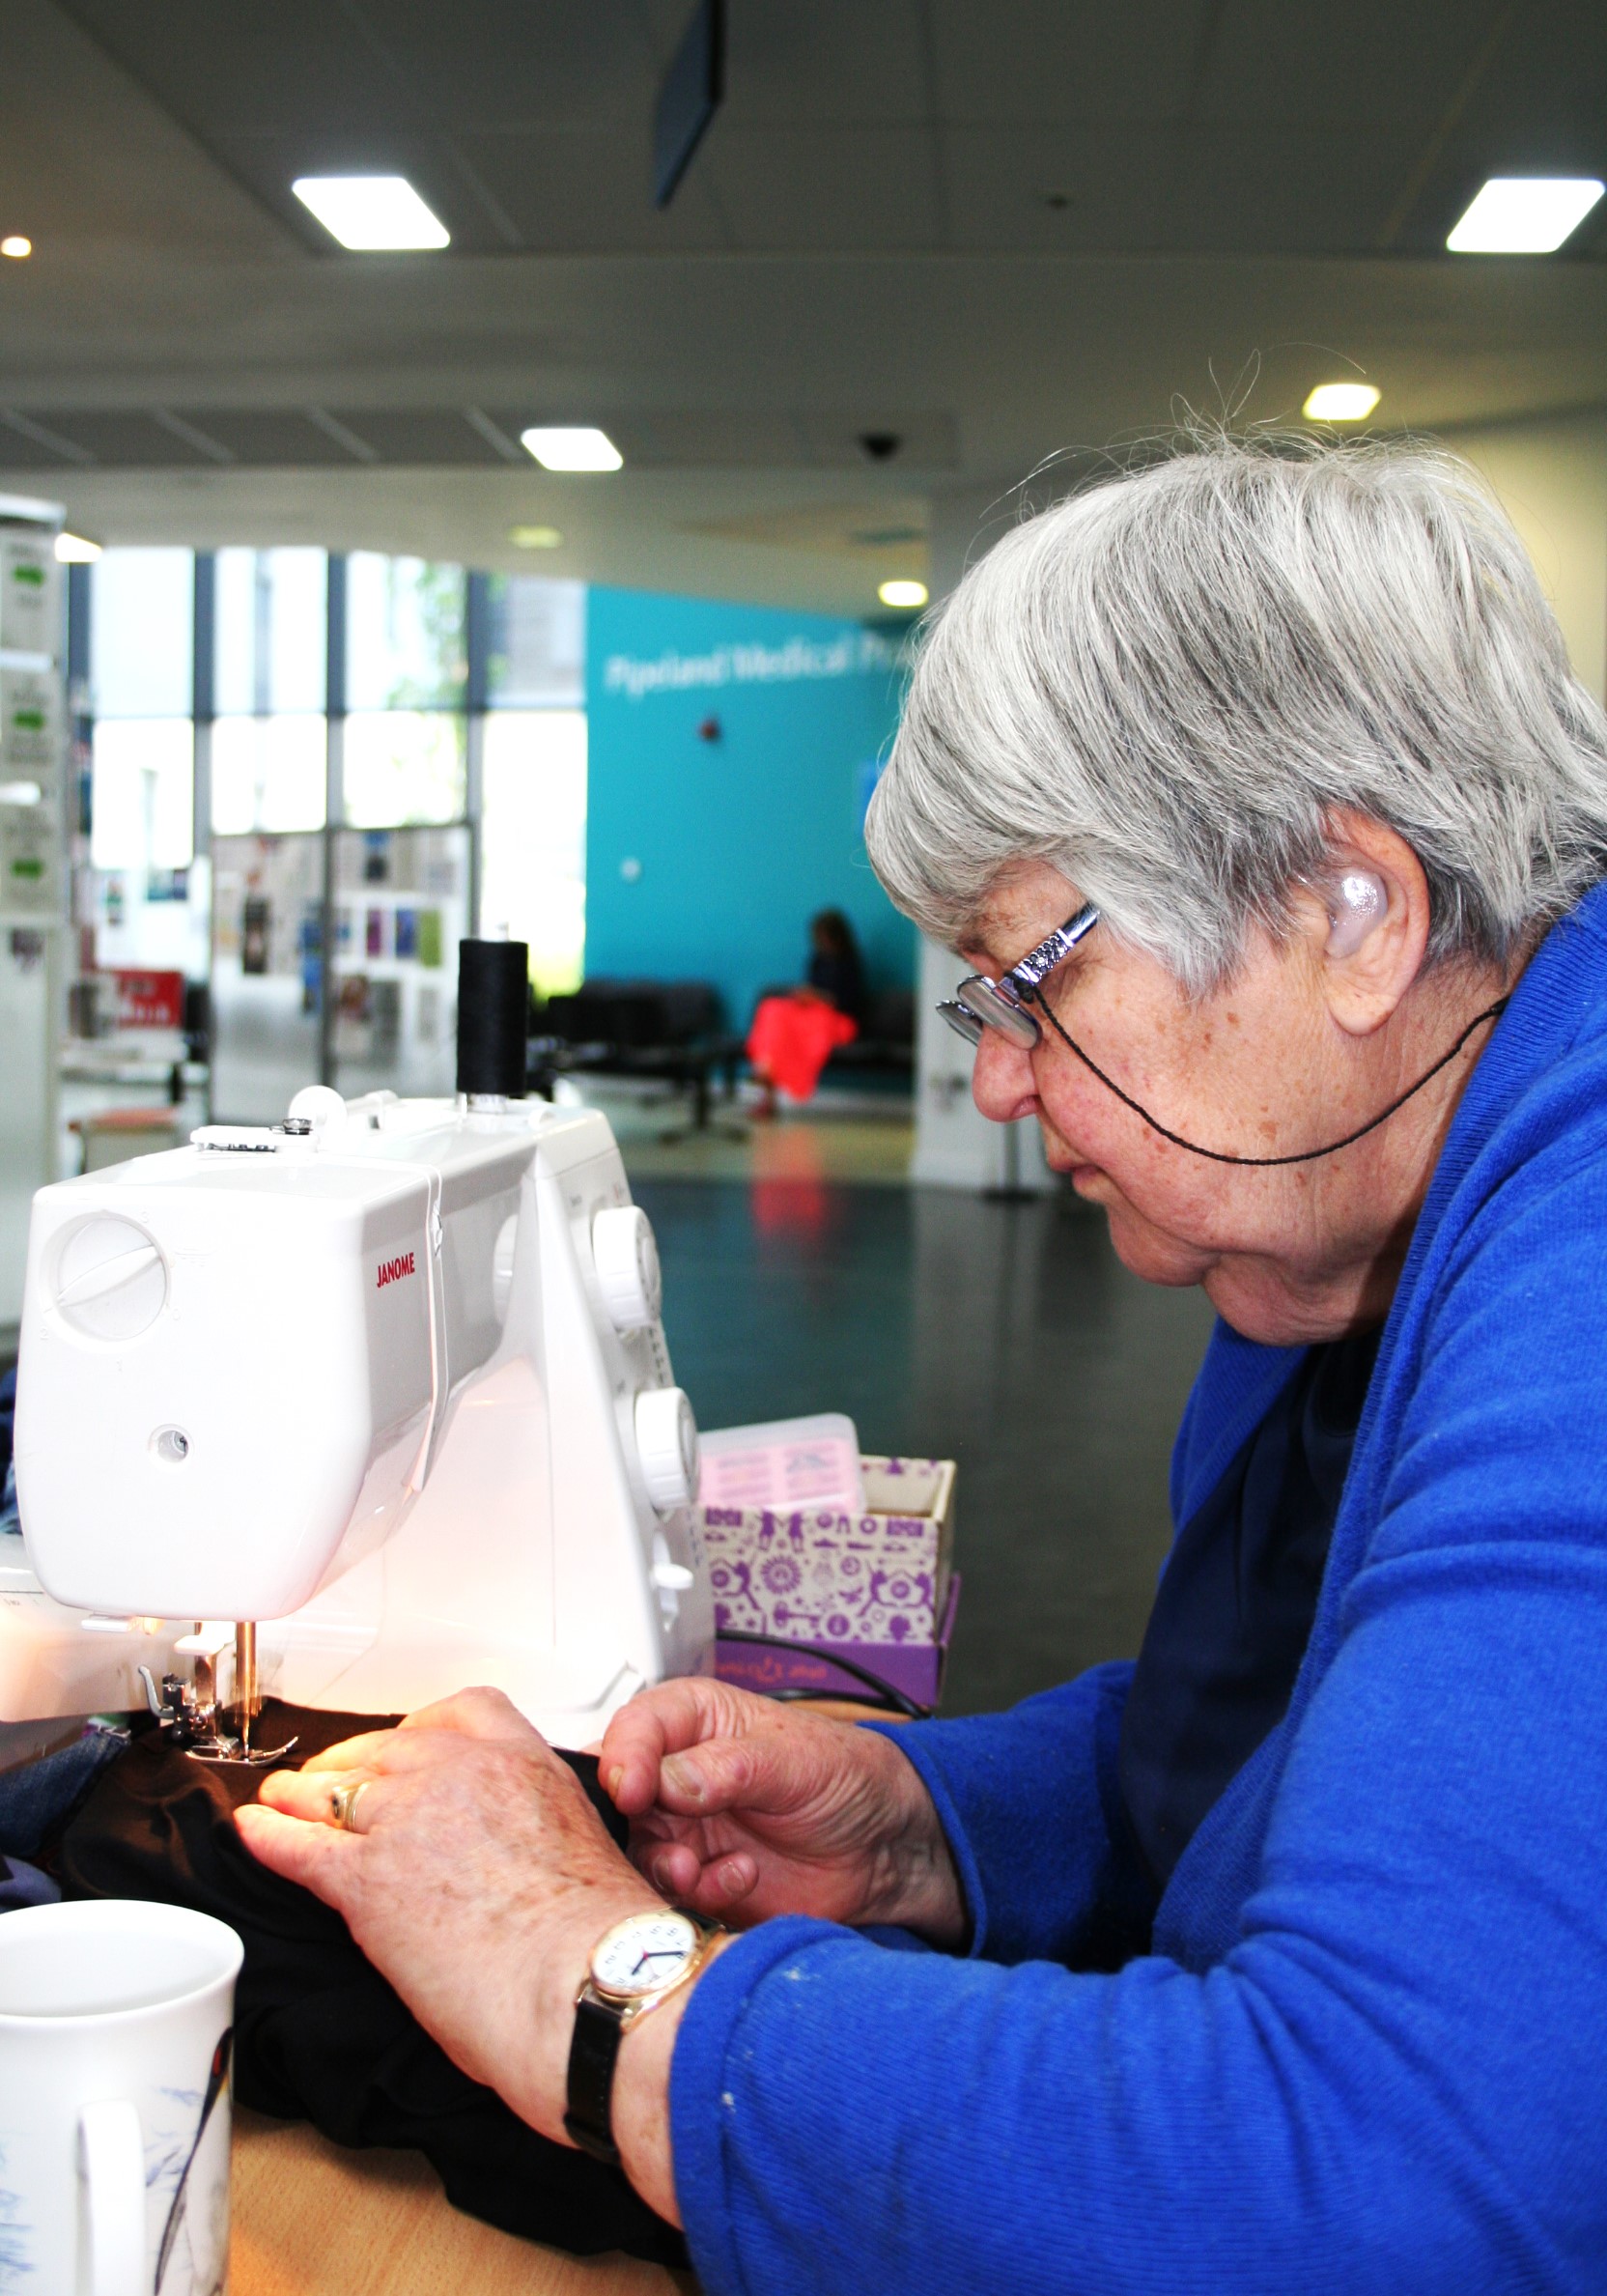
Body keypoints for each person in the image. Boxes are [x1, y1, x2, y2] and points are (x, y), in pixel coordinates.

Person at [238, 437, 1607, 2293]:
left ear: (1347, 909)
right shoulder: (1320, 1243)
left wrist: (601, 1982)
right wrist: (928, 1825)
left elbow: (1376, 2181)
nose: (989, 1077)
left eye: (1026, 978)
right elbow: (1301, 1747)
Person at [744, 908, 865, 1112]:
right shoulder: (817, 960)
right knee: (772, 1009)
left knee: (807, 1030)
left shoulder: (850, 963)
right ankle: (765, 1067)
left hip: (836, 1019)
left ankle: (770, 1073)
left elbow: (849, 1002)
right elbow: (811, 989)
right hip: (812, 1013)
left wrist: (819, 997)